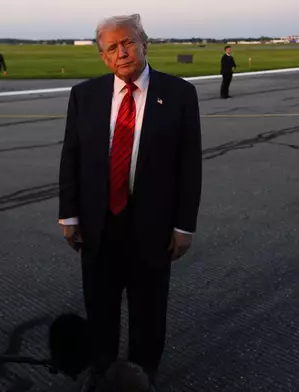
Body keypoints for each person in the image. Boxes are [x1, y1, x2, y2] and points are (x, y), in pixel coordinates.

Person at [58, 14, 202, 392]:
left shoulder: (179, 94)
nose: (121, 52)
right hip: (97, 223)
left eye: (127, 43)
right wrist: (69, 215)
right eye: (111, 48)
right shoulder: (84, 96)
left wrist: (184, 226)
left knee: (149, 310)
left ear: (144, 43)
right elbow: (71, 158)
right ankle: (103, 369)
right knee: (100, 306)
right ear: (103, 57)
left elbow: (190, 165)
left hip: (152, 225)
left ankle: (144, 373)